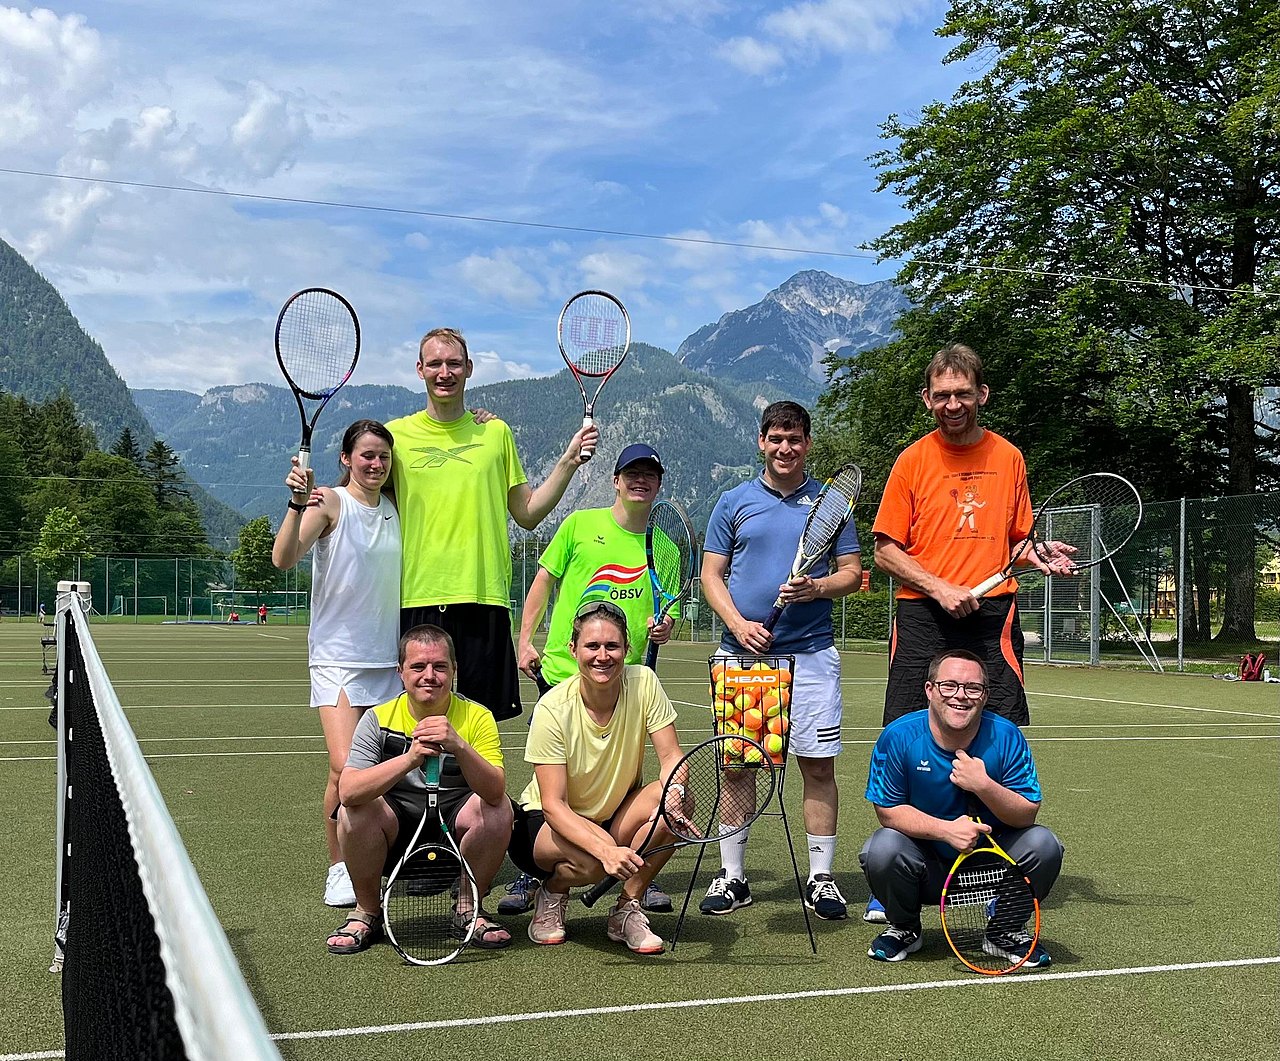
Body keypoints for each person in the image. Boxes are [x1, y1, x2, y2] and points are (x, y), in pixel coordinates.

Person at [866, 344, 1073, 924]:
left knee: (997, 735)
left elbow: (1016, 542)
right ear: (927, 399)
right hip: (923, 614)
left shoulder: (1008, 457)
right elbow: (885, 550)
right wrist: (937, 587)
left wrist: (1039, 556)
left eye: (963, 393)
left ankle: (993, 874)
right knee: (907, 738)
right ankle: (900, 872)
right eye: (941, 395)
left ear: (981, 394)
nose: (952, 404)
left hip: (991, 614)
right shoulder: (911, 461)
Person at [699, 401, 862, 921]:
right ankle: (732, 878)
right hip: (742, 657)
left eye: (795, 439)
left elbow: (853, 575)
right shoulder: (733, 501)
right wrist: (739, 625)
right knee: (739, 769)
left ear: (807, 444)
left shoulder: (830, 503)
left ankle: (821, 880)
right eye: (776, 438)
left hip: (812, 656)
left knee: (817, 768)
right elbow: (711, 576)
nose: (785, 448)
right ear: (761, 442)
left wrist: (817, 586)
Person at [385, 327, 595, 724]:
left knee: (480, 730)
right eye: (435, 364)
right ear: (419, 369)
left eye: (452, 364)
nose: (443, 372)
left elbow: (528, 513)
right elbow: (361, 492)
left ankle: (479, 792)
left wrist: (569, 461)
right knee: (417, 730)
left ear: (468, 369)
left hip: (485, 600)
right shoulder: (396, 437)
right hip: (418, 597)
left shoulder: (495, 433)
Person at [501, 442, 675, 916]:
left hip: (626, 675)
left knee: (620, 775)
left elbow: (666, 613)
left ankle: (634, 869)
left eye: (649, 475)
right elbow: (542, 581)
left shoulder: (666, 548)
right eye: (631, 474)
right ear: (615, 480)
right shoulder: (580, 525)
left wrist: (665, 628)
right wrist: (524, 639)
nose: (640, 481)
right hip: (563, 668)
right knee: (558, 782)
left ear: (658, 485)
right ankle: (541, 869)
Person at [859, 649, 1063, 967]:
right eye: (949, 685)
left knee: (1044, 844)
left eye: (972, 688)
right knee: (882, 848)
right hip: (928, 870)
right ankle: (904, 928)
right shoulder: (899, 736)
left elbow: (1027, 812)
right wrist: (947, 830)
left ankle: (1004, 931)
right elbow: (888, 811)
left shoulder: (1007, 736)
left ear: (985, 695)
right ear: (930, 690)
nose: (961, 696)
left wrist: (984, 785)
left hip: (992, 865)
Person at [272, 419, 402, 908]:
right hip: (337, 659)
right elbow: (284, 557)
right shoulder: (328, 501)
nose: (376, 464)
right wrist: (294, 502)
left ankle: (382, 859)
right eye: (366, 454)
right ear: (347, 458)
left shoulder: (394, 508)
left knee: (387, 771)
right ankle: (339, 867)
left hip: (387, 660)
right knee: (344, 769)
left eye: (383, 457)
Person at [508, 601, 686, 954]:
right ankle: (554, 891)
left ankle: (625, 909)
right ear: (574, 649)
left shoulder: (644, 682)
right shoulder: (552, 708)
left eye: (612, 646)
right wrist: (607, 851)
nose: (602, 656)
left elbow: (671, 757)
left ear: (627, 649)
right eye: (592, 646)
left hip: (611, 815)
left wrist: (677, 790)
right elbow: (554, 807)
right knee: (591, 864)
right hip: (545, 825)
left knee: (673, 804)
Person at [325, 624, 514, 954]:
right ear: (400, 672)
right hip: (395, 833)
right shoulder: (377, 718)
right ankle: (368, 912)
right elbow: (348, 791)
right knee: (354, 811)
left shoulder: (477, 716)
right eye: (418, 666)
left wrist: (458, 744)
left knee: (499, 810)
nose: (430, 675)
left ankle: (469, 909)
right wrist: (411, 758)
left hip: (453, 828)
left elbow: (495, 791)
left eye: (440, 666)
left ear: (454, 670)